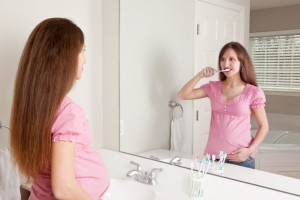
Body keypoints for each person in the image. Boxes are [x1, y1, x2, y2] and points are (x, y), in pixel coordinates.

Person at [10, 18, 109, 199]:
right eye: (83, 51)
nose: (85, 60)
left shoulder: (36, 107)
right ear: (64, 57)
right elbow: (64, 188)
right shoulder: (69, 112)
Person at [177, 42, 269, 169]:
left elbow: (264, 126)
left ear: (241, 62)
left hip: (241, 158)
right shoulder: (213, 88)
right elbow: (183, 95)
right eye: (223, 59)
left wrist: (250, 150)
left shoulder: (253, 92)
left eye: (231, 59)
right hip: (214, 158)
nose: (226, 64)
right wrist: (199, 75)